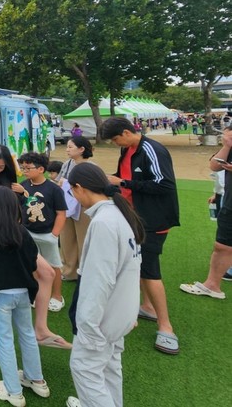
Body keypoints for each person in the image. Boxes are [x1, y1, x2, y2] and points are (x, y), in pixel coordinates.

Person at [0, 144, 71, 349]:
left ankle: (41, 329)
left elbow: (19, 205)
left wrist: (22, 193)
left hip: (14, 235)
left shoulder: (9, 177)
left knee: (46, 273)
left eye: (1, 167)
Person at [65, 163, 144, 407]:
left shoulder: (103, 222)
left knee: (85, 369)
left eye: (71, 191)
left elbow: (98, 281)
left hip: (103, 319)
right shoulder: (119, 214)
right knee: (109, 368)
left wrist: (88, 328)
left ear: (79, 188)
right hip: (118, 314)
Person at [99, 116, 180, 355]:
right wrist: (111, 183)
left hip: (154, 220)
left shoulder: (152, 150)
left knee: (150, 270)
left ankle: (166, 327)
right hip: (135, 217)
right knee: (139, 264)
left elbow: (164, 185)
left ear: (126, 132)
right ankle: (147, 307)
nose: (115, 144)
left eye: (116, 139)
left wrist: (123, 182)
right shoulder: (127, 150)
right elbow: (124, 177)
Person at [0, 186, 48, 407]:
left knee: (5, 340)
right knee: (27, 334)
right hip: (23, 292)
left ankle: (14, 392)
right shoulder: (22, 233)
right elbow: (32, 261)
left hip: (1, 295)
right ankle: (37, 380)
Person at [179, 123, 232, 300]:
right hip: (229, 203)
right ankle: (212, 285)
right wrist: (226, 146)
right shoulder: (229, 147)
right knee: (223, 246)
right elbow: (214, 166)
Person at [13, 152, 67, 312]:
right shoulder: (23, 185)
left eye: (28, 168)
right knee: (32, 265)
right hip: (28, 232)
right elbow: (19, 208)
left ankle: (57, 296)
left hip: (48, 233)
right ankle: (37, 294)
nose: (24, 171)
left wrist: (54, 234)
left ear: (41, 169)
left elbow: (61, 213)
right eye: (23, 168)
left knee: (54, 266)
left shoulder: (53, 189)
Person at [56, 136, 96, 282]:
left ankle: (86, 271)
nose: (67, 150)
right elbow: (59, 182)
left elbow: (94, 188)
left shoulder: (91, 167)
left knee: (84, 239)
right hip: (67, 206)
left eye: (70, 147)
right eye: (67, 147)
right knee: (66, 239)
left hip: (84, 207)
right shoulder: (67, 164)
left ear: (81, 149)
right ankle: (69, 271)